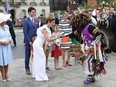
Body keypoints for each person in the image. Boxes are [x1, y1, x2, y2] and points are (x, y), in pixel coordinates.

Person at [32, 17, 62, 81]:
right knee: (42, 59)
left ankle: (36, 74)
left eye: (54, 22)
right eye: (52, 22)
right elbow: (48, 39)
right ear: (48, 22)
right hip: (37, 44)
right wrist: (57, 37)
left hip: (40, 44)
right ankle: (40, 76)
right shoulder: (44, 29)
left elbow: (47, 40)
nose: (54, 24)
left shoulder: (48, 28)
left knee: (38, 59)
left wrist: (45, 46)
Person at [23, 7, 39, 75]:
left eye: (34, 12)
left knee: (35, 54)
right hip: (28, 40)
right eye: (32, 12)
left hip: (35, 39)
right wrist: (29, 41)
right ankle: (27, 68)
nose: (34, 13)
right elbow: (25, 32)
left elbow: (38, 30)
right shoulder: (26, 21)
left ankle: (36, 68)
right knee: (28, 54)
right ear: (29, 13)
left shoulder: (36, 20)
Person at [0, 13, 13, 82]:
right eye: (3, 20)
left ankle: (6, 75)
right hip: (1, 47)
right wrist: (1, 42)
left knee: (7, 61)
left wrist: (9, 40)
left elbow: (9, 36)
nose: (5, 21)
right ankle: (3, 76)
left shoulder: (7, 27)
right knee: (1, 62)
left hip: (7, 46)